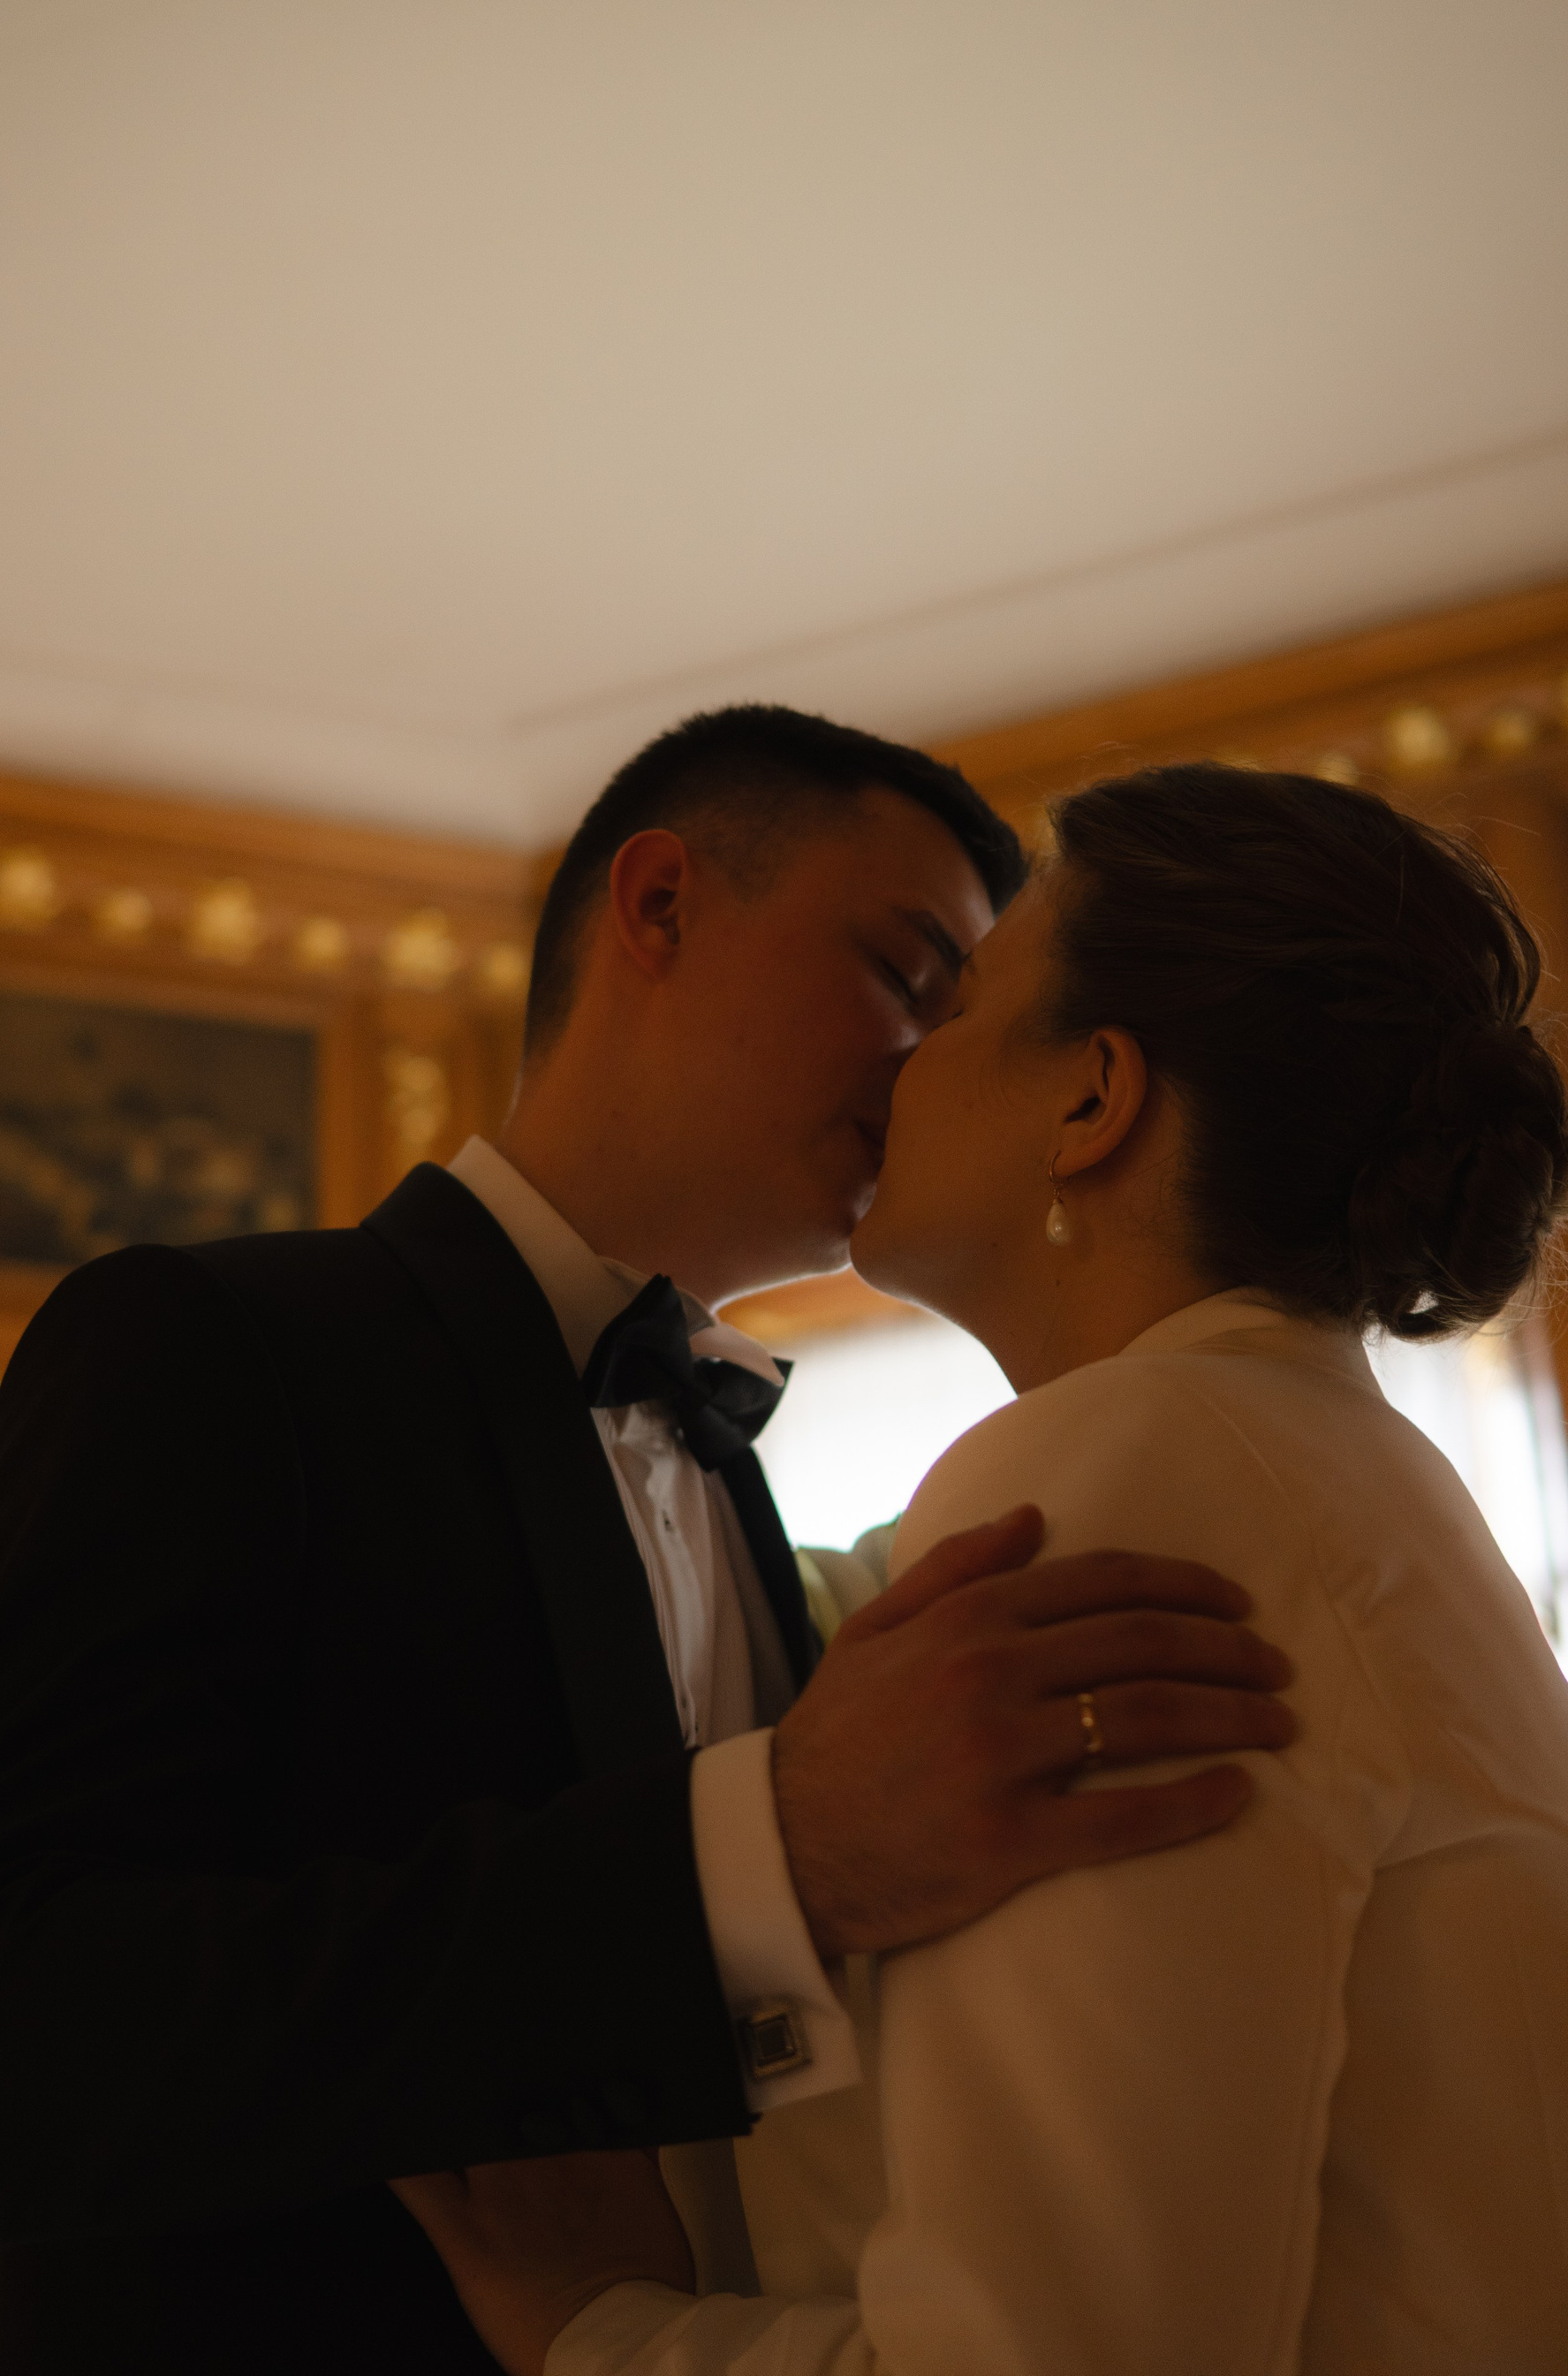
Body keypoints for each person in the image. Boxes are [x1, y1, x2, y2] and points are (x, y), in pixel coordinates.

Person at [0, 713, 1293, 2376]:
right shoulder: (208, 1347)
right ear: (661, 904)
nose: (928, 1068)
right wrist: (770, 1852)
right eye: (908, 977)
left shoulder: (748, 1492)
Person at [398, 761, 1568, 2375]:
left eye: (954, 1004)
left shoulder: (1124, 1467)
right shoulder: (1350, 1479)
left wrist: (599, 2330)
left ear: (1094, 1099)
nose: (898, 1062)